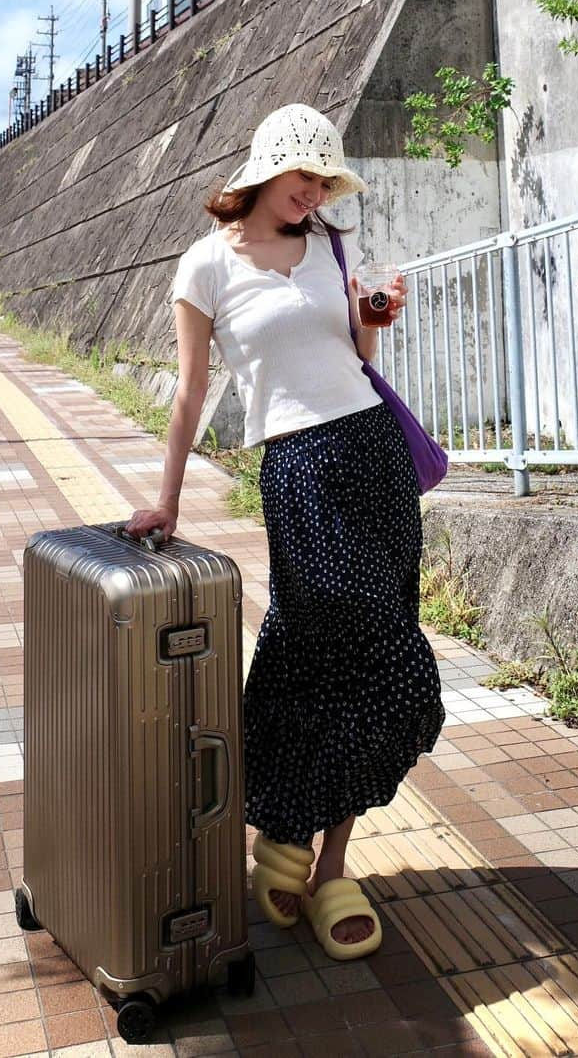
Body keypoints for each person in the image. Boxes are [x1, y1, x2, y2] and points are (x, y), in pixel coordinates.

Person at [126, 104, 444, 962]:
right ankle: (284, 833)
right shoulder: (205, 266)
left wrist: (378, 314)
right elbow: (192, 393)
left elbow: (360, 361)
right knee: (310, 648)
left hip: (372, 453)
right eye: (301, 176)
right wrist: (169, 501)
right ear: (264, 172)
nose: (311, 191)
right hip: (299, 471)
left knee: (383, 652)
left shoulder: (332, 247)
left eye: (322, 179)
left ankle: (328, 858)